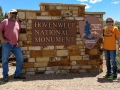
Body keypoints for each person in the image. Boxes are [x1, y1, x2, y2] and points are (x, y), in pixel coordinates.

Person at [0, 9, 26, 82]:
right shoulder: (5, 21)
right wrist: (2, 39)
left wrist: (17, 42)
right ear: (9, 14)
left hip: (15, 45)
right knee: (5, 60)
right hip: (6, 44)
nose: (13, 14)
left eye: (15, 13)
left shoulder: (18, 23)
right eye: (12, 13)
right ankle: (5, 75)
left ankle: (17, 75)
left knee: (20, 59)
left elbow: (17, 34)